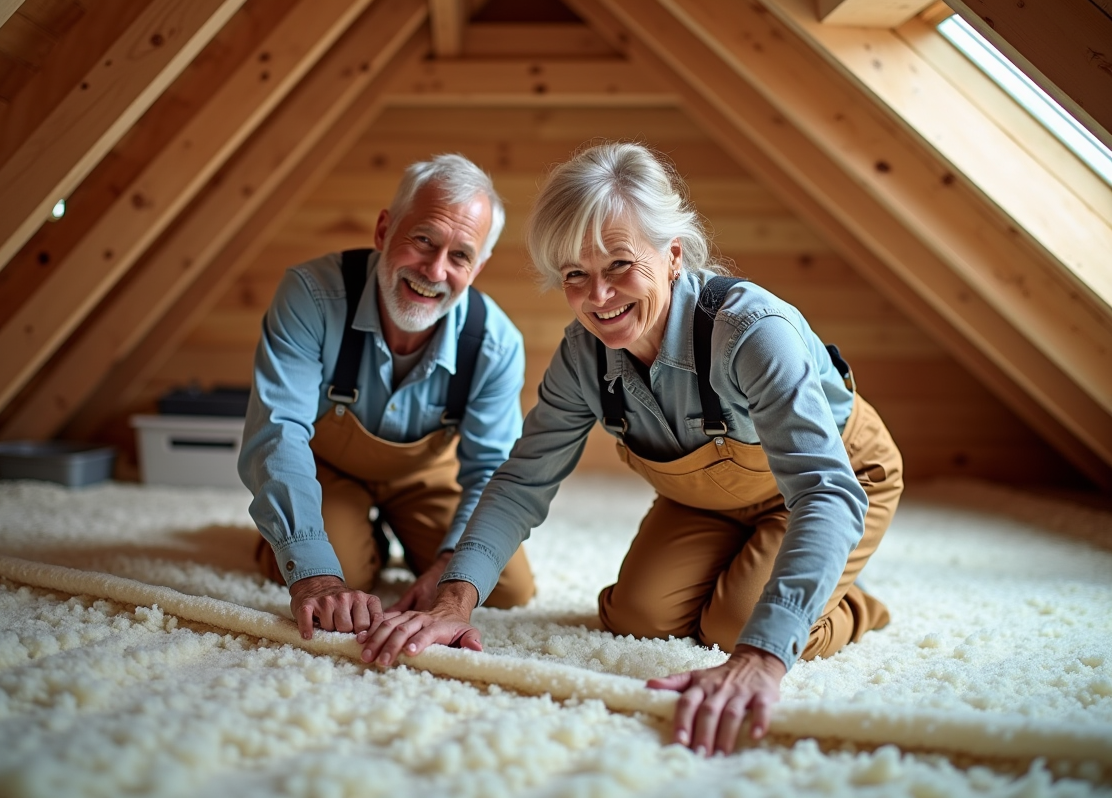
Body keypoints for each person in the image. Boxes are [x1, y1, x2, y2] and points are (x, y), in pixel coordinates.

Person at [358, 143, 904, 756]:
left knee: (735, 628)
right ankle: (769, 573)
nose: (599, 296)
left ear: (672, 255)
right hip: (708, 502)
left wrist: (762, 656)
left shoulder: (753, 334)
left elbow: (825, 490)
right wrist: (453, 602)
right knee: (638, 617)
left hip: (836, 482)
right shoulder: (581, 357)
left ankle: (849, 602)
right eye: (575, 275)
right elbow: (521, 482)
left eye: (619, 264)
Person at [238, 153, 535, 640]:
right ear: (383, 231)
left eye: (460, 256)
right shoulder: (311, 295)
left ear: (478, 266)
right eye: (423, 240)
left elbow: (491, 472)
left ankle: (389, 535)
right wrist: (313, 574)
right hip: (327, 470)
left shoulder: (496, 344)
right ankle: (321, 534)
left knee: (504, 586)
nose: (435, 270)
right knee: (336, 573)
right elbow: (277, 430)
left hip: (425, 477)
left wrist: (450, 576)